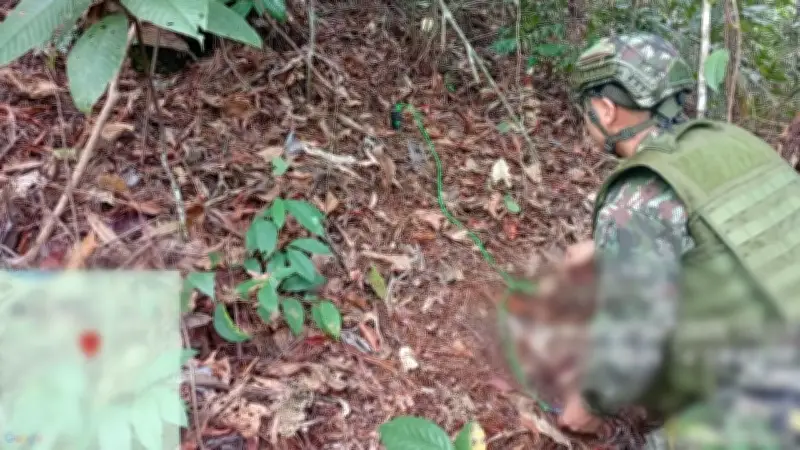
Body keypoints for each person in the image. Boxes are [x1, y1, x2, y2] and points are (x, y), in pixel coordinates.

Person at [558, 32, 800, 449]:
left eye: (587, 107)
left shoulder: (639, 196)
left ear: (606, 110)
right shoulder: (731, 140)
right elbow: (732, 239)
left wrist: (587, 407)